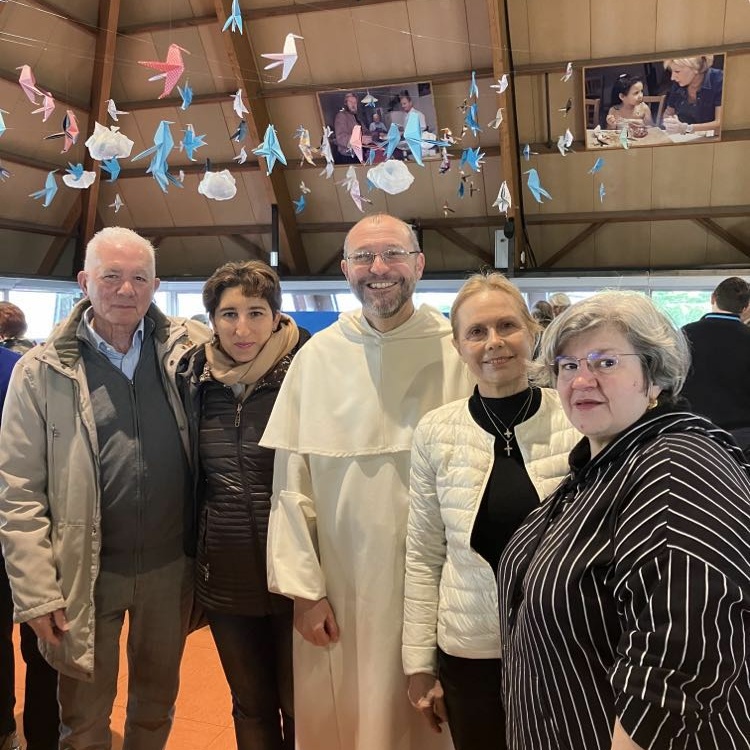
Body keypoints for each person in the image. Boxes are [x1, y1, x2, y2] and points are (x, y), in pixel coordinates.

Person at [497, 290, 750, 750]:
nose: (581, 380)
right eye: (567, 366)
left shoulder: (675, 465)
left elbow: (684, 655)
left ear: (654, 378)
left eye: (606, 362)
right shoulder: (598, 468)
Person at [260, 213, 471, 750]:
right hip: (342, 587)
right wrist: (304, 594)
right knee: (348, 719)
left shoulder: (457, 350)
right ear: (345, 269)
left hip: (441, 582)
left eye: (393, 254)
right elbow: (291, 488)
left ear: (419, 264)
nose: (379, 268)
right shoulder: (317, 357)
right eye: (363, 257)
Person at [0, 227, 210, 750]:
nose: (125, 289)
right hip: (84, 572)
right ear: (84, 282)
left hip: (171, 569)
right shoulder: (40, 371)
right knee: (84, 717)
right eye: (111, 276)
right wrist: (35, 592)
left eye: (139, 277)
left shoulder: (191, 354)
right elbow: (18, 489)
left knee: (156, 705)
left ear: (155, 286)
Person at [402, 273, 579, 749]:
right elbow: (423, 554)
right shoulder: (435, 432)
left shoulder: (577, 419)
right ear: (458, 346)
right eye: (476, 332)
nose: (494, 342)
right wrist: (419, 663)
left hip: (563, 648)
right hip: (470, 652)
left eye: (507, 326)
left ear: (532, 332)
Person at [180, 261, 309, 750]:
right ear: (212, 320)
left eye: (256, 313)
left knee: (301, 704)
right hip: (225, 577)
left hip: (297, 576)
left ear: (276, 317)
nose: (242, 328)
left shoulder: (309, 372)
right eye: (229, 314)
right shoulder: (194, 380)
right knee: (250, 705)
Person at [0, 345, 60, 750]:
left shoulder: (24, 369)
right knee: (43, 646)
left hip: (33, 527)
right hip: (35, 526)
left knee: (44, 642)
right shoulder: (22, 367)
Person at [681, 276, 750, 457]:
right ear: (745, 307)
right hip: (742, 436)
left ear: (713, 298)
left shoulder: (686, 334)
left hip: (694, 430)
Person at [662, 55, 723, 135]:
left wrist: (687, 128)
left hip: (712, 137)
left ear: (696, 68)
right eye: (672, 71)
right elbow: (668, 112)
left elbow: (720, 122)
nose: (672, 77)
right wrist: (669, 122)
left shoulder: (719, 79)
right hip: (684, 137)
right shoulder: (677, 84)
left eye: (677, 71)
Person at [333, 92, 369, 163]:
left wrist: (376, 134)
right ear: (345, 103)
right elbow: (341, 138)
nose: (353, 104)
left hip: (359, 154)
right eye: (351, 102)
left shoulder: (357, 118)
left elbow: (365, 131)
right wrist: (360, 140)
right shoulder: (341, 116)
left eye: (355, 102)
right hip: (347, 157)